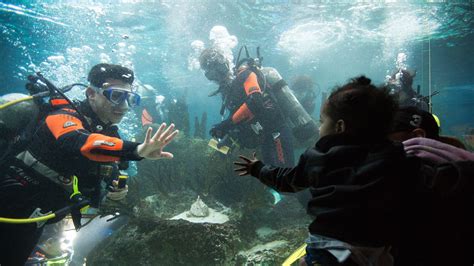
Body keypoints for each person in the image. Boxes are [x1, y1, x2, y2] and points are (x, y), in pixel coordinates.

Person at [0, 63, 179, 265]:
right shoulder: (62, 115)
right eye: (116, 95)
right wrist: (136, 150)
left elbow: (105, 167)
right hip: (9, 204)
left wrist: (114, 189)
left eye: (130, 98)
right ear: (91, 93)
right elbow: (80, 143)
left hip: (35, 220)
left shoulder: (108, 134)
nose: (124, 106)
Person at [235, 76, 415, 265]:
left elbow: (288, 181)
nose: (319, 128)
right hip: (377, 248)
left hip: (330, 247)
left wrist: (257, 168)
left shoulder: (320, 158)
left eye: (322, 122)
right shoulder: (396, 156)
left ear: (339, 127)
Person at [199, 47, 295, 167]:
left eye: (220, 70)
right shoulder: (228, 92)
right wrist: (228, 141)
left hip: (277, 131)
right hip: (265, 138)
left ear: (226, 64)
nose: (218, 78)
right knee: (273, 178)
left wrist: (227, 124)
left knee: (283, 177)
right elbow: (239, 118)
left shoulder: (246, 75)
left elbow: (255, 101)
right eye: (211, 75)